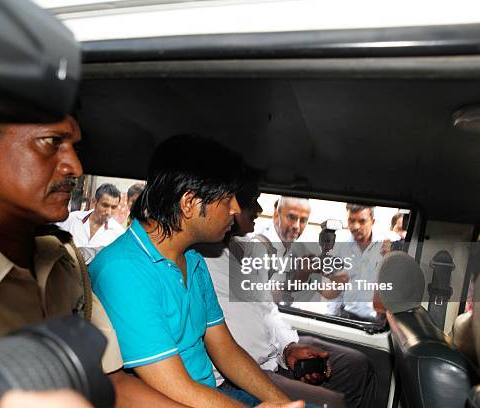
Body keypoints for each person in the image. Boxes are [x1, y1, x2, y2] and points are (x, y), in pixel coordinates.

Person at [0, 117, 183, 407]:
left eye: (74, 148)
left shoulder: (64, 263)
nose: (75, 167)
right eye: (51, 142)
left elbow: (114, 385)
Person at [89, 134, 302, 408]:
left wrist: (284, 404)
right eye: (228, 198)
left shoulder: (193, 259)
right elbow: (175, 386)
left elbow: (225, 348)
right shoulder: (123, 272)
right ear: (190, 203)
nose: (236, 209)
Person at [200, 171, 377, 408]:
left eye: (303, 220)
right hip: (242, 372)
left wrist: (289, 349)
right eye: (252, 201)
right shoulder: (199, 258)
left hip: (275, 354)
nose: (258, 208)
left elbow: (267, 310)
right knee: (331, 402)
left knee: (358, 365)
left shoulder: (247, 250)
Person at [327, 204, 396, 321]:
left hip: (380, 320)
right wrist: (329, 318)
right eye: (351, 220)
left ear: (372, 221)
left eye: (362, 221)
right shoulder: (341, 247)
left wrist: (392, 256)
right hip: (349, 317)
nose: (355, 226)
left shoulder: (390, 243)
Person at [59, 183, 125, 248]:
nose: (108, 212)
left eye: (113, 207)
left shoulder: (119, 233)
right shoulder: (71, 218)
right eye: (105, 205)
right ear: (94, 202)